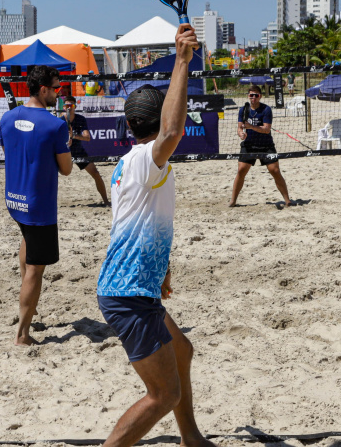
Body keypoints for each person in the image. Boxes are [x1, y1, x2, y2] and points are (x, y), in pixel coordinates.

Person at [96, 24, 215, 447]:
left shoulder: (132, 164)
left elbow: (142, 225)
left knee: (182, 351)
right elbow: (171, 133)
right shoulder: (147, 160)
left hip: (136, 287)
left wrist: (161, 272)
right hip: (127, 294)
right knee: (163, 394)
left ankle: (191, 438)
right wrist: (181, 60)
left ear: (129, 124)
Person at [0, 65, 72, 346]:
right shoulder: (55, 125)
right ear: (43, 89)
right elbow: (66, 169)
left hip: (14, 198)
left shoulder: (8, 118)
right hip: (39, 204)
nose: (59, 93)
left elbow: (8, 151)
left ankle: (27, 307)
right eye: (56, 88)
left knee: (27, 241)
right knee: (35, 269)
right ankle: (22, 334)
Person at [229, 84, 291, 208]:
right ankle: (233, 201)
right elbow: (239, 127)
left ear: (260, 96)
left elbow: (266, 129)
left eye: (256, 95)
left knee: (275, 170)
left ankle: (287, 200)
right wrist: (241, 133)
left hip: (265, 144)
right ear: (248, 96)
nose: (253, 97)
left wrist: (251, 127)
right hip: (249, 144)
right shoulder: (243, 110)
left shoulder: (266, 109)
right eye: (251, 95)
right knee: (241, 170)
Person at [61, 95, 109, 206]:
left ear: (75, 106)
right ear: (63, 107)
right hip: (63, 151)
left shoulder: (80, 119)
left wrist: (74, 136)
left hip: (78, 151)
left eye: (71, 105)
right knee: (51, 176)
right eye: (67, 106)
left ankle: (106, 201)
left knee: (96, 173)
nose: (69, 108)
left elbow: (87, 137)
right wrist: (66, 141)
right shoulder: (60, 121)